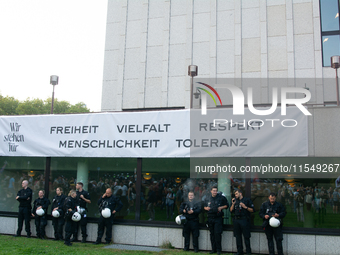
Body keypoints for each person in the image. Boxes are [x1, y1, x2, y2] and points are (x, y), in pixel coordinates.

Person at [204, 186, 229, 255]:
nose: (215, 192)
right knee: (212, 234)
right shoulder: (207, 198)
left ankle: (219, 250)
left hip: (218, 218)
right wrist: (206, 208)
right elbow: (204, 206)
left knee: (217, 234)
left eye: (216, 191)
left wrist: (221, 207)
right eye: (214, 191)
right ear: (211, 191)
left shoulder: (221, 197)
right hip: (210, 218)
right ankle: (213, 249)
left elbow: (227, 205)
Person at [230, 189, 254, 255]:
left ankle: (248, 251)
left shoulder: (247, 200)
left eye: (237, 194)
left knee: (246, 236)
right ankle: (239, 251)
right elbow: (231, 210)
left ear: (241, 193)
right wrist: (232, 204)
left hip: (244, 219)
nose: (236, 195)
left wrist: (245, 207)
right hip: (236, 220)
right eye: (235, 194)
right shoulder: (234, 200)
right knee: (238, 236)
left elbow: (252, 210)